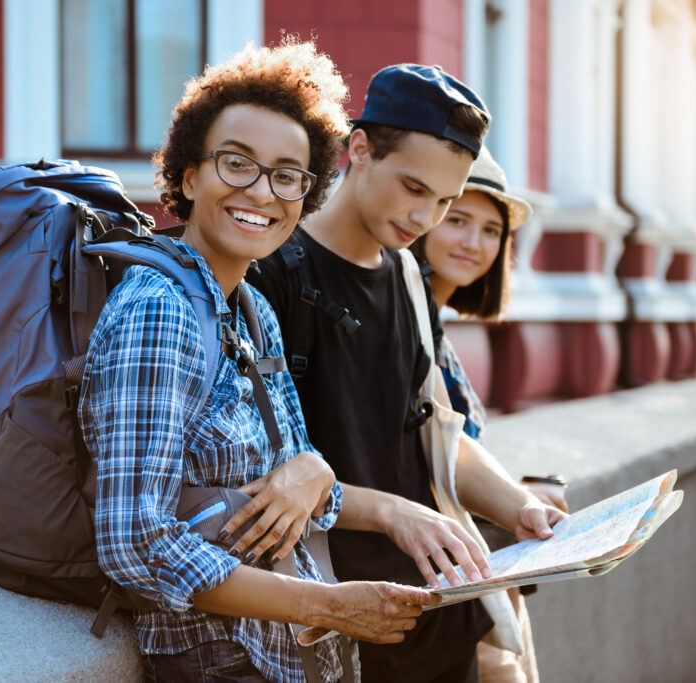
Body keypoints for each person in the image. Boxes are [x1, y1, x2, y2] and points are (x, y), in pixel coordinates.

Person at [77, 42, 440, 683]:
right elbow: (135, 542)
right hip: (223, 663)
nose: (261, 192)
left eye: (286, 174)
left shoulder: (250, 308)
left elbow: (292, 484)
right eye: (237, 164)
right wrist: (326, 604)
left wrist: (313, 470)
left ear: (306, 192)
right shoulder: (158, 311)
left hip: (285, 657)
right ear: (189, 176)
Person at [244, 64, 567, 683]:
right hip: (342, 628)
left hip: (446, 618)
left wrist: (521, 507)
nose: (426, 217)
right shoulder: (273, 274)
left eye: (445, 200)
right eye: (414, 188)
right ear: (359, 149)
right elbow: (259, 479)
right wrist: (392, 511)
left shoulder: (410, 278)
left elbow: (433, 433)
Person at [409, 146, 569, 682]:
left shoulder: (435, 322)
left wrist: (516, 493)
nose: (474, 243)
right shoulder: (400, 318)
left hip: (474, 562)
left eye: (491, 230)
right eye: (457, 220)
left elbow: (450, 445)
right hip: (438, 570)